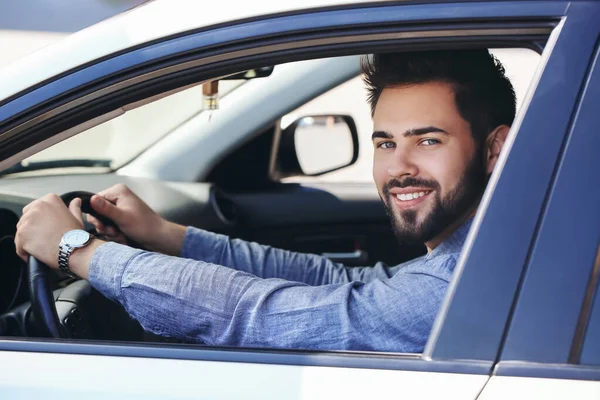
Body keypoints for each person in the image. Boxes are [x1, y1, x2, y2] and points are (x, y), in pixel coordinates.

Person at [15, 49, 515, 352]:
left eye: (428, 140)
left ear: (494, 148)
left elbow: (256, 314)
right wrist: (168, 236)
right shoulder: (483, 254)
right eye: (386, 142)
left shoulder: (465, 286)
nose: (399, 166)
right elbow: (341, 284)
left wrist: (76, 250)